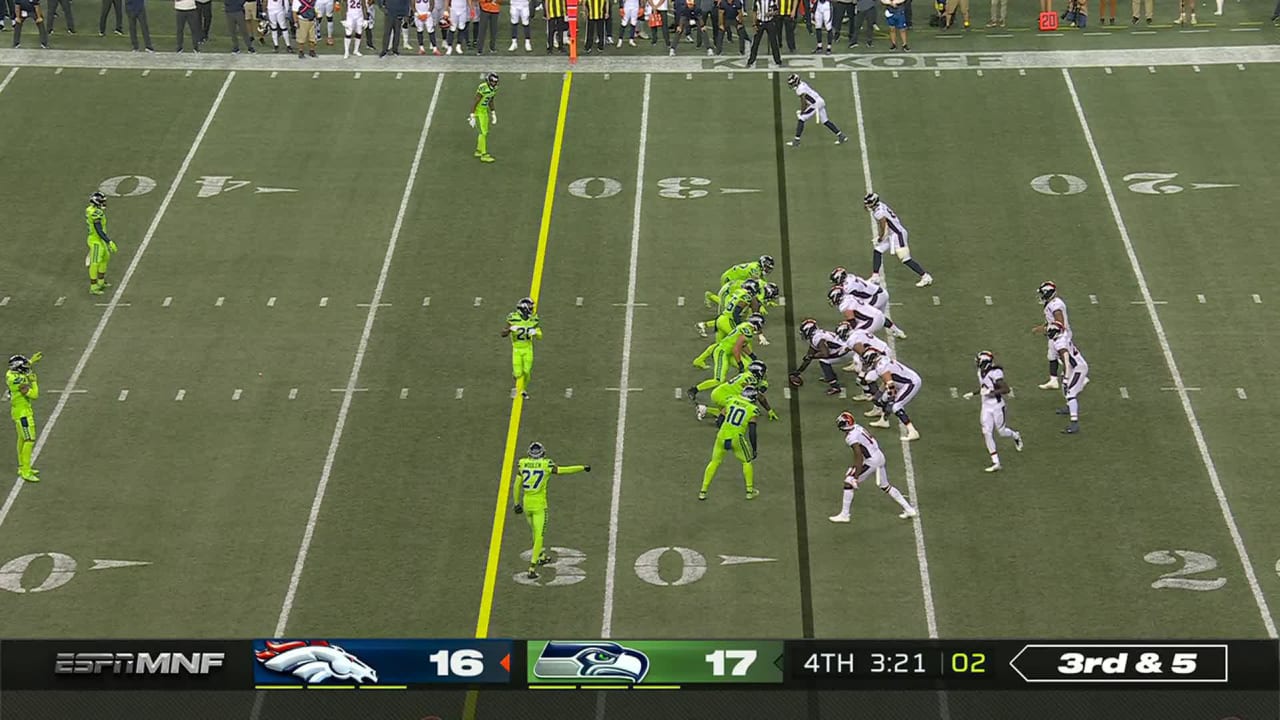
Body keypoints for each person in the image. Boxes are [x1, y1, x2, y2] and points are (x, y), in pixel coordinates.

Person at [512, 442, 591, 580]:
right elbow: (563, 470)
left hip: (526, 503)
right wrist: (582, 467)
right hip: (539, 505)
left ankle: (541, 556)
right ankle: (532, 568)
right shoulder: (546, 464)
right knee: (539, 536)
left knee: (534, 532)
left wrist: (516, 503)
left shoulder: (523, 463)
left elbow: (517, 484)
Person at [829, 412, 917, 523]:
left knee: (848, 482)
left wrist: (855, 476)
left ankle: (845, 515)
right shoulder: (857, 427)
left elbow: (859, 456)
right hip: (879, 455)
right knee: (885, 486)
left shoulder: (851, 437)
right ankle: (909, 509)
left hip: (871, 461)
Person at [699, 386, 761, 501]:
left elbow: (721, 419)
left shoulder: (732, 400)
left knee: (714, 462)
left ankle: (703, 491)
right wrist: (754, 448)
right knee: (747, 461)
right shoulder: (752, 409)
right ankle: (749, 491)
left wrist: (723, 429)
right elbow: (752, 430)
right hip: (737, 438)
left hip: (722, 435)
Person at [964, 351, 1022, 472]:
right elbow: (984, 387)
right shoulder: (980, 372)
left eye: (978, 361)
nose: (977, 363)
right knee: (986, 432)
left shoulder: (995, 373)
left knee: (1001, 432)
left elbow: (1005, 389)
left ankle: (1015, 435)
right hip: (986, 406)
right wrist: (973, 393)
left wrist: (991, 393)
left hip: (997, 406)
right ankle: (996, 462)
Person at [863, 192, 932, 288]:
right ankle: (875, 276)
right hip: (892, 234)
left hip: (897, 235)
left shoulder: (879, 212)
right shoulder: (880, 206)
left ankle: (925, 276)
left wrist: (881, 237)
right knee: (878, 250)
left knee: (905, 259)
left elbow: (883, 226)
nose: (867, 204)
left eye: (869, 202)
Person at [860, 348, 921, 440]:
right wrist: (879, 394)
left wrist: (891, 399)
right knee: (883, 398)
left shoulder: (881, 367)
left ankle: (912, 431)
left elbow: (890, 385)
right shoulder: (882, 360)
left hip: (911, 383)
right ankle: (884, 420)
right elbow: (887, 380)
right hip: (901, 382)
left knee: (896, 406)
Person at [1046, 321, 1087, 434]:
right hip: (1075, 366)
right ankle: (1069, 407)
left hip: (1078, 368)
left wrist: (1066, 378)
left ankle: (1074, 423)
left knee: (1070, 393)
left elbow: (1066, 361)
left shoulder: (1060, 344)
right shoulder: (1062, 336)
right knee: (1066, 389)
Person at [785, 74, 849, 147]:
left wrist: (803, 111)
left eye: (792, 83)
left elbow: (804, 102)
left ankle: (796, 141)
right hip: (820, 101)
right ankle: (841, 136)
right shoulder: (802, 84)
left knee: (801, 119)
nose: (791, 85)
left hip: (815, 104)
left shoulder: (800, 90)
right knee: (825, 121)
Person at [7, 353, 42, 483]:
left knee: (22, 438)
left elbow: (21, 370)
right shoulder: (19, 381)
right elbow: (34, 395)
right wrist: (34, 382)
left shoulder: (10, 374)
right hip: (23, 414)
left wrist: (31, 361)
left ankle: (22, 467)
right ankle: (26, 471)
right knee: (29, 439)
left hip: (18, 411)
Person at [1031, 281, 1070, 390]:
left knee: (1063, 356)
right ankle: (1053, 380)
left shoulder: (1055, 306)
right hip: (1055, 334)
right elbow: (1051, 320)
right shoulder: (1052, 303)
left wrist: (1044, 329)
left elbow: (1059, 323)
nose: (1041, 296)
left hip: (1059, 335)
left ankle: (1076, 373)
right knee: (1052, 355)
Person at [501, 295, 537, 398]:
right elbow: (503, 334)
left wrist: (535, 332)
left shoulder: (533, 319)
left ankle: (523, 389)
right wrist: (510, 329)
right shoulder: (513, 318)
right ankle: (516, 375)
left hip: (527, 348)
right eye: (530, 308)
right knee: (517, 374)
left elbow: (538, 331)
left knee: (527, 371)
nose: (532, 309)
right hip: (517, 349)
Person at [85, 192, 118, 295]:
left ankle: (101, 282)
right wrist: (109, 241)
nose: (104, 203)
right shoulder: (95, 213)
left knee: (105, 258)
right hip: (95, 240)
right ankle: (93, 287)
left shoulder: (91, 210)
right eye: (102, 201)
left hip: (99, 239)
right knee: (95, 263)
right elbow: (98, 230)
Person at [469, 72, 499, 163]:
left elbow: (490, 100)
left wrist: (493, 113)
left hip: (484, 112)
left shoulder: (494, 89)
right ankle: (484, 154)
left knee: (484, 132)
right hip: (478, 112)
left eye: (496, 82)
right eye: (493, 82)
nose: (494, 83)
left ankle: (478, 150)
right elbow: (475, 101)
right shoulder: (483, 87)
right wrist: (472, 115)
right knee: (483, 133)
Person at [745, 0, 779, 68]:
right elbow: (754, 12)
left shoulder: (772, 1)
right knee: (756, 42)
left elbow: (777, 11)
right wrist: (754, 24)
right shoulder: (757, 1)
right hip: (760, 23)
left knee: (774, 42)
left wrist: (771, 13)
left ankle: (778, 60)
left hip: (770, 22)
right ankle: (751, 60)